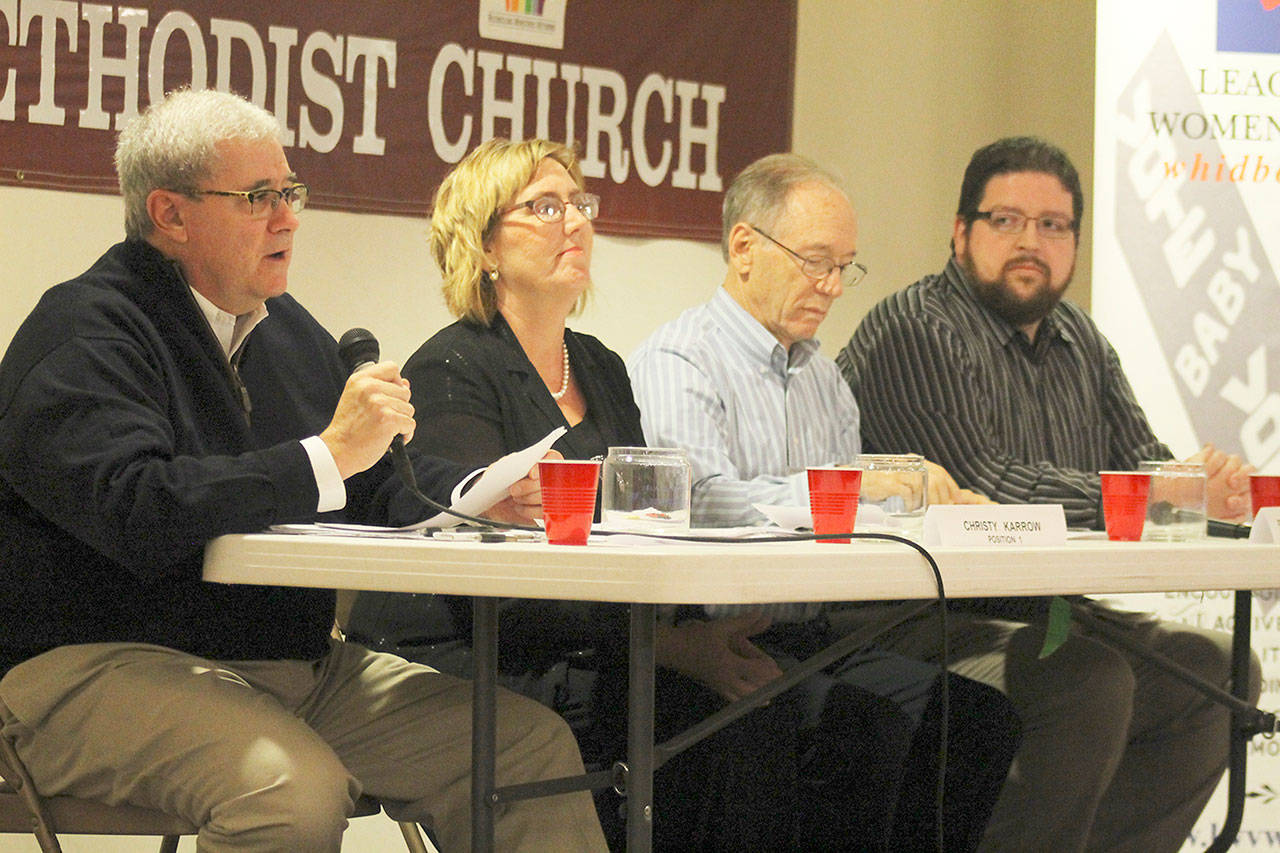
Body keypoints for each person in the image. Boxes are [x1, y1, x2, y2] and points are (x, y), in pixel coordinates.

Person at [0, 89, 606, 853]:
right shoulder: (85, 329)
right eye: (258, 197)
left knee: (524, 749)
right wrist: (323, 455)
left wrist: (478, 495)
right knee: (290, 791)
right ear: (170, 214)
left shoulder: (286, 329)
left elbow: (373, 481)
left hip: (287, 664)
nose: (287, 216)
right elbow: (137, 509)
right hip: (91, 664)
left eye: (290, 191)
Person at [837, 135, 1261, 851]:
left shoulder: (1080, 340)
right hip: (916, 619)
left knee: (1218, 673)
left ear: (1075, 241)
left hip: (1055, 613)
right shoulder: (915, 329)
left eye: (1053, 225)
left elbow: (1142, 470)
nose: (1030, 241)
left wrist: (1200, 494)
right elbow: (988, 482)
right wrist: (1156, 487)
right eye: (1005, 220)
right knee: (1087, 682)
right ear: (960, 231)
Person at [626, 152, 1021, 851]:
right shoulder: (680, 360)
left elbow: (853, 523)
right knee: (861, 724)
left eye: (846, 265)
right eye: (816, 261)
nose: (834, 286)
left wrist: (936, 506)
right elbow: (701, 501)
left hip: (820, 629)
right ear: (744, 247)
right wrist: (857, 486)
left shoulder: (823, 378)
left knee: (978, 720)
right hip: (714, 634)